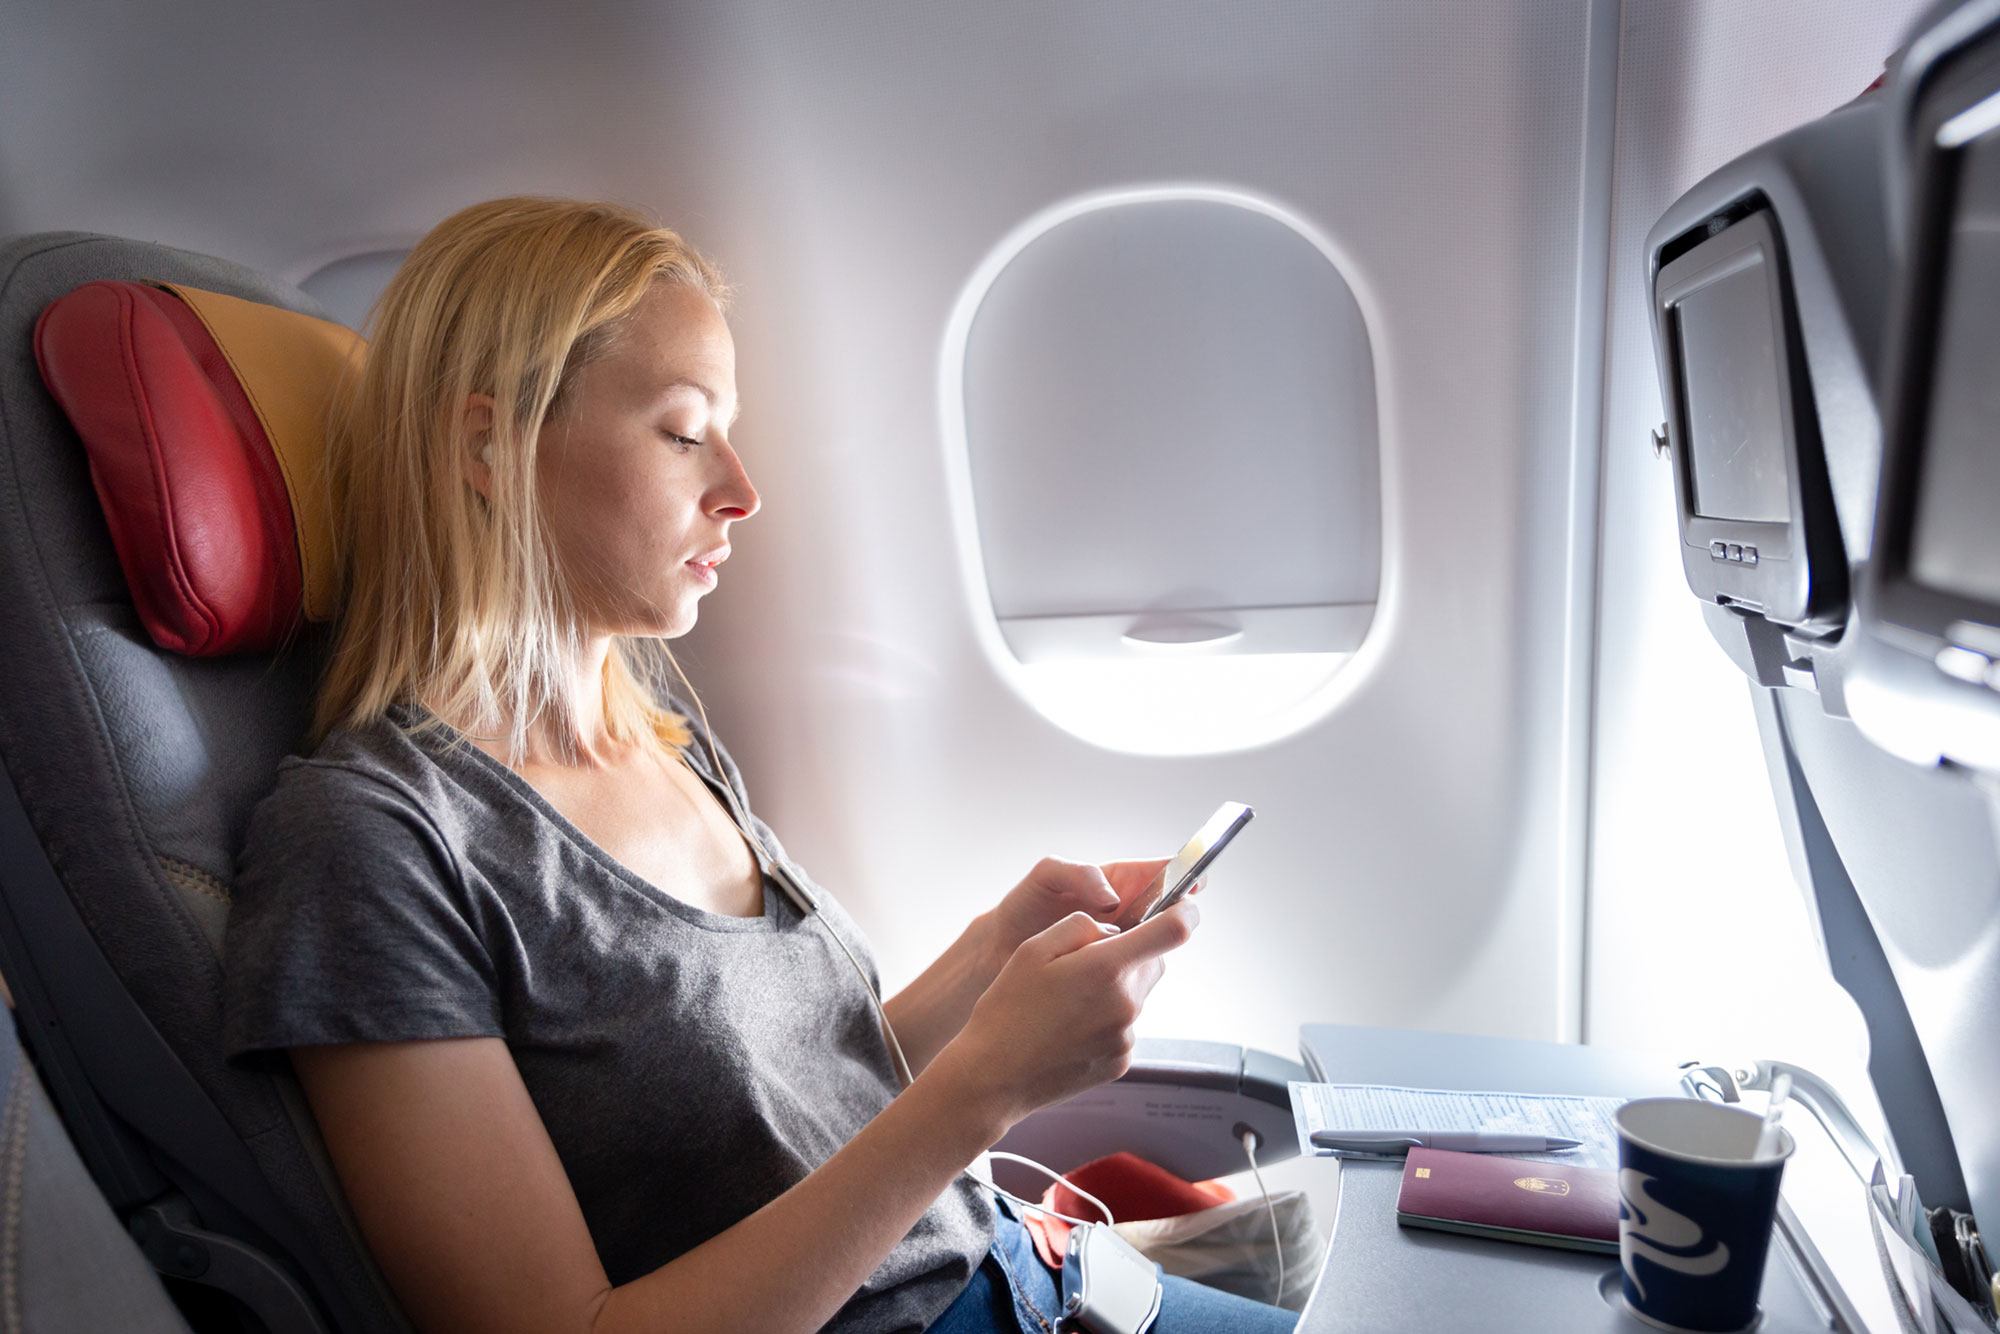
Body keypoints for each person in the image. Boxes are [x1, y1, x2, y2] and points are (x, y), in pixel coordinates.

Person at [222, 196, 1300, 1334]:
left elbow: (771, 1110)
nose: (741, 486)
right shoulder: (370, 845)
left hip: (1030, 1279)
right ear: (490, 443)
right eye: (685, 430)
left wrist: (991, 959)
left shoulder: (657, 735)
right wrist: (983, 1090)